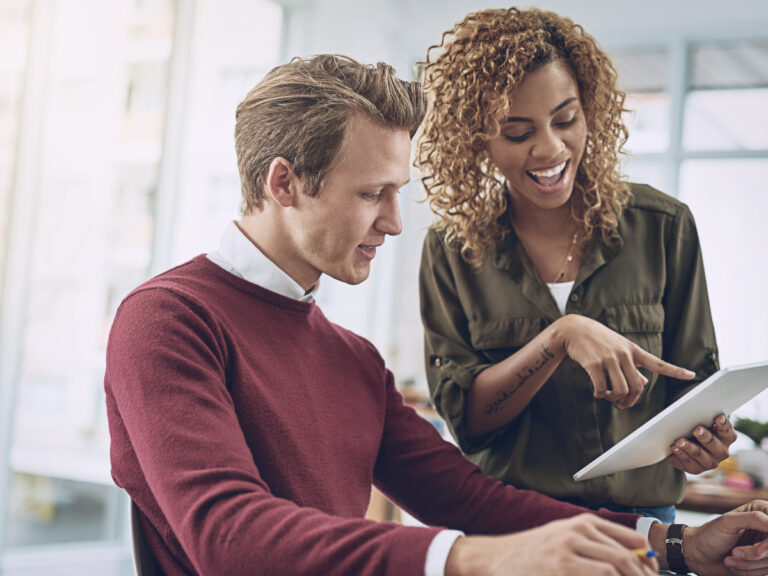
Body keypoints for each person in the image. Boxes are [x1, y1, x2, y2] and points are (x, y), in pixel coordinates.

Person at [104, 54, 768, 576]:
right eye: (373, 194)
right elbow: (230, 537)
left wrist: (677, 544)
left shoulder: (350, 357)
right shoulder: (169, 320)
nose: (394, 222)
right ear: (284, 184)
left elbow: (467, 497)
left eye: (397, 193)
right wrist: (471, 559)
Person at [416, 6, 737, 524]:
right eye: (517, 132)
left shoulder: (663, 226)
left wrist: (706, 439)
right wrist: (558, 337)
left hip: (646, 527)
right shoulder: (453, 250)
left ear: (590, 109)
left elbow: (694, 390)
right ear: (478, 140)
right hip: (511, 527)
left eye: (566, 119)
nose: (550, 148)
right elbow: (468, 422)